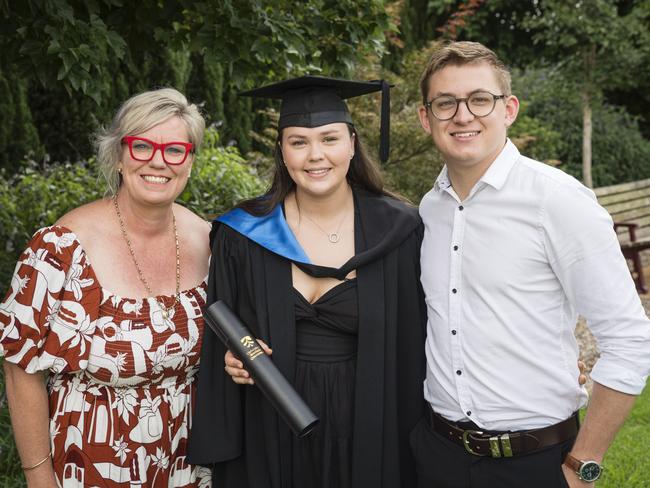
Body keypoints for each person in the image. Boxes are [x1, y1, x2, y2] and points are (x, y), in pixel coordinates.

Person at [412, 41, 650, 488]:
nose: (463, 115)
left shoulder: (557, 202)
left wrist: (582, 467)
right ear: (427, 118)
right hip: (438, 456)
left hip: (535, 463)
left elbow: (631, 340)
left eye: (480, 99)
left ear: (509, 109)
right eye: (445, 103)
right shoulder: (428, 211)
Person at [187, 76, 427, 488]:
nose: (315, 155)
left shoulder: (400, 230)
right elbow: (222, 344)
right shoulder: (243, 235)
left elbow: (416, 344)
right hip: (270, 423)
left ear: (352, 143)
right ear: (282, 151)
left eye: (329, 139)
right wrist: (234, 360)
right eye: (298, 142)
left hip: (371, 426)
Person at [0, 88, 212, 487]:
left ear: (189, 161)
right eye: (142, 146)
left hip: (188, 463)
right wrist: (39, 476)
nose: (157, 162)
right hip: (92, 460)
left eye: (174, 150)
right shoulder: (59, 249)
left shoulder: (209, 239)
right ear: (118, 155)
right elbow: (19, 367)